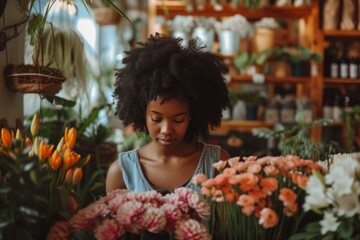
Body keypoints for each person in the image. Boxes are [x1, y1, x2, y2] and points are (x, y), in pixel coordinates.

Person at [106, 33, 230, 194]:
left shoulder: (217, 163)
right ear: (142, 113)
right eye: (156, 118)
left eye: (179, 119)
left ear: (193, 116)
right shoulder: (121, 172)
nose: (166, 130)